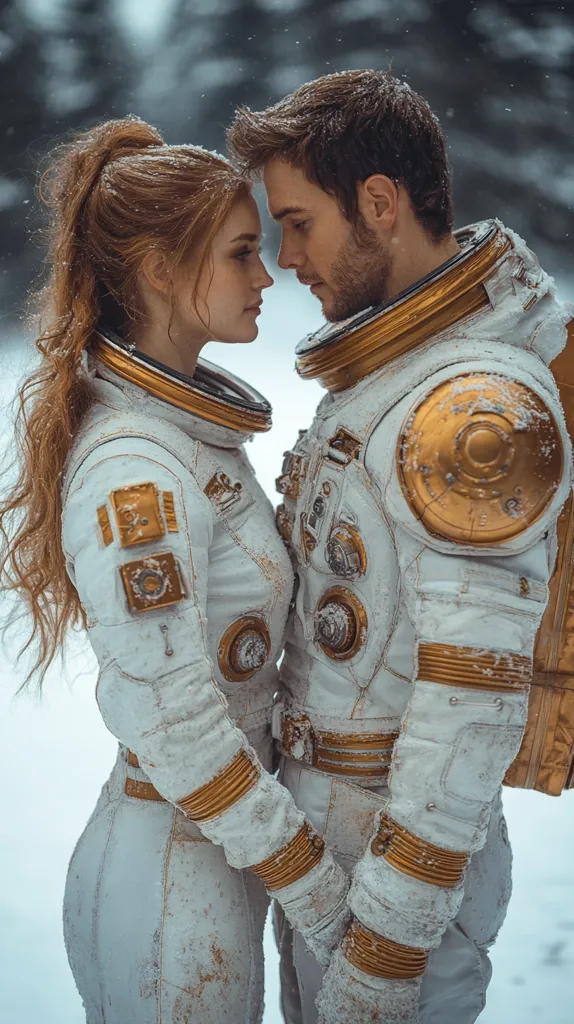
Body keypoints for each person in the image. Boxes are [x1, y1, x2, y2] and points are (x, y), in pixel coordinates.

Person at [228, 69, 574, 1023]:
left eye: (298, 222)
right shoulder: (403, 371)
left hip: (398, 859)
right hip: (338, 832)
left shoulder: (472, 410)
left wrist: (387, 945)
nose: (286, 255)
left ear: (379, 204)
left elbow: (468, 711)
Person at [0, 117, 352, 1024]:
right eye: (241, 253)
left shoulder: (184, 443)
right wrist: (310, 878)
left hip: (207, 861)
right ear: (158, 270)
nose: (265, 275)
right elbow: (168, 712)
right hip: (169, 881)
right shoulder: (136, 470)